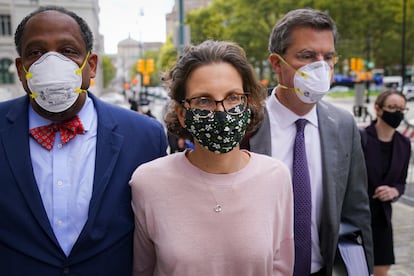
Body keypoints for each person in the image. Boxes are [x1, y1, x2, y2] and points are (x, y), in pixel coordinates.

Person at [0, 6, 167, 275]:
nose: (51, 63)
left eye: (67, 50)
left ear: (91, 66)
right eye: (36, 52)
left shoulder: (144, 137)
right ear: (21, 70)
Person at [130, 40, 294, 276]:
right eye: (204, 100)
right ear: (182, 114)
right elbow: (143, 269)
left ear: (248, 104)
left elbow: (281, 267)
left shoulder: (275, 177)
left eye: (233, 97)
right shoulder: (148, 182)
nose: (221, 111)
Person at [242, 8, 374, 275]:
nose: (321, 66)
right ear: (277, 63)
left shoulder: (343, 125)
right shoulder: (246, 125)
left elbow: (355, 210)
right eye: (307, 56)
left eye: (329, 57)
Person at [360, 90, 411, 276]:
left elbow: (401, 182)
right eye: (392, 107)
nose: (397, 113)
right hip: (357, 216)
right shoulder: (360, 137)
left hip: (382, 216)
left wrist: (394, 191)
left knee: (382, 269)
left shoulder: (404, 144)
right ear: (378, 109)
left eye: (401, 109)